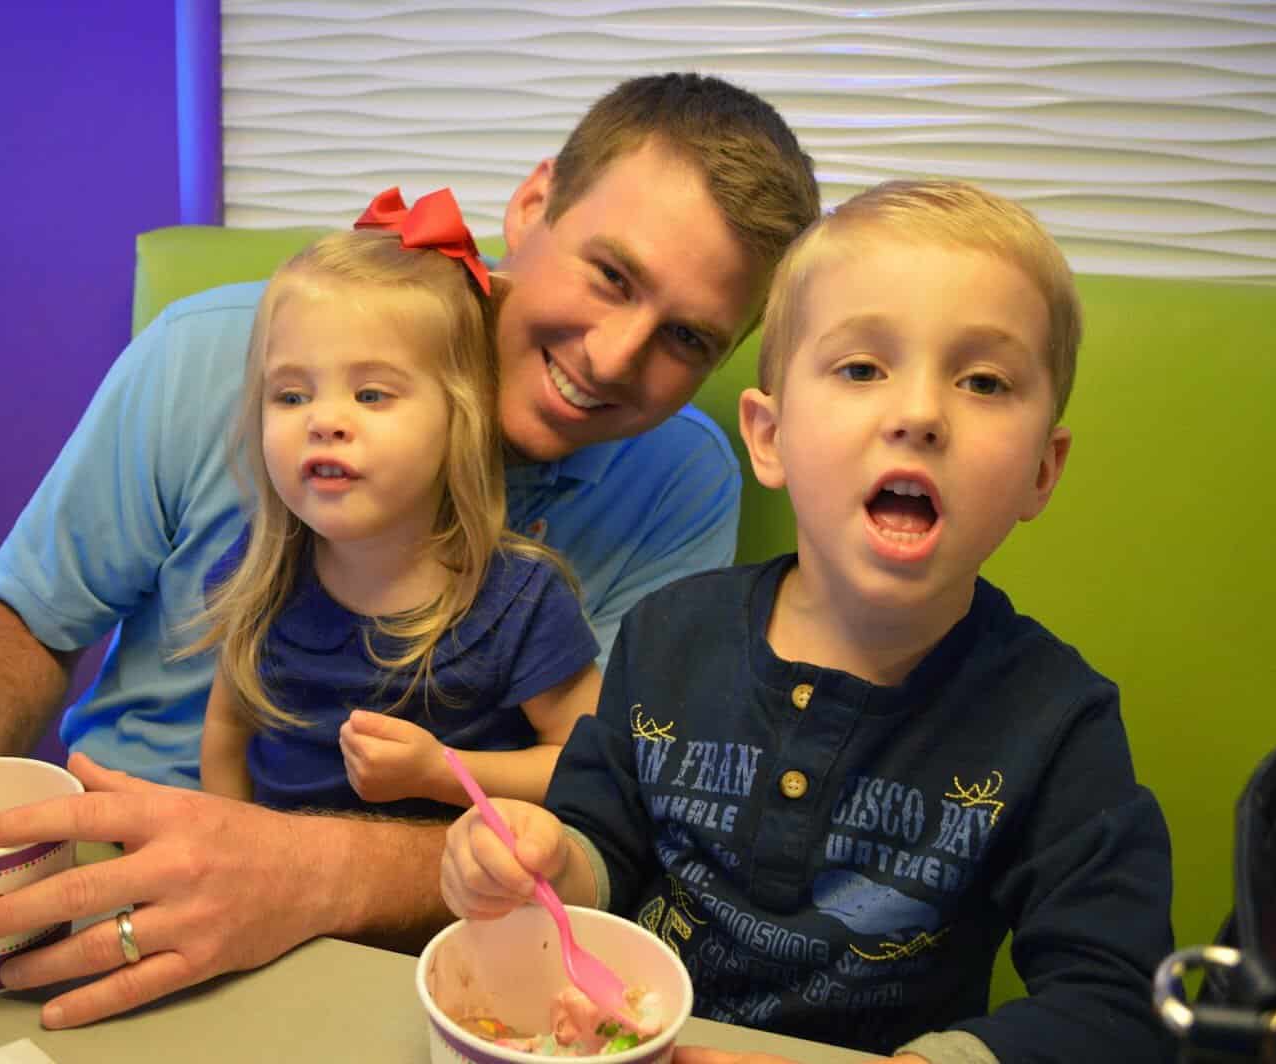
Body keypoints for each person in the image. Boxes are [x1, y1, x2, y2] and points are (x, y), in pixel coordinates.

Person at [0, 72, 820, 1029]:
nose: (611, 357)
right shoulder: (212, 350)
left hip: (409, 949)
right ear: (531, 204)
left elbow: (609, 802)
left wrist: (298, 869)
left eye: (685, 337)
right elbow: (30, 612)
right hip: (95, 877)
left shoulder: (680, 480)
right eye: (610, 275)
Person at [441, 180, 1174, 1064]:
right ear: (771, 436)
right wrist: (540, 862)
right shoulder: (665, 636)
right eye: (862, 368)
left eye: (983, 381)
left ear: (1041, 471)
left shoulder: (1059, 722)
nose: (917, 414)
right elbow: (602, 843)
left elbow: (1119, 1006)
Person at [194, 190, 602, 813]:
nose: (324, 421)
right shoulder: (263, 570)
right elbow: (226, 737)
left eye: (372, 395)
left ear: (458, 421)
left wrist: (443, 772)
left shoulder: (521, 602)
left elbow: (589, 769)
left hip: (453, 901)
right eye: (292, 396)